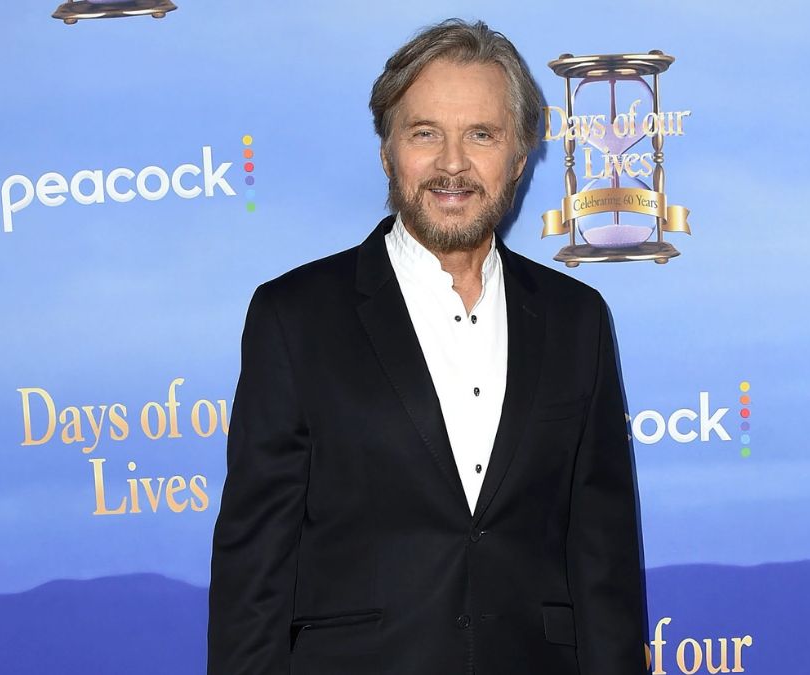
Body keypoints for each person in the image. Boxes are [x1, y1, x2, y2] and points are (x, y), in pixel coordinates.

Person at [208, 18, 646, 675]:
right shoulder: (295, 317)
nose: (451, 164)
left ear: (521, 156)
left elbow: (604, 565)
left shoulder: (576, 320)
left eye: (481, 134)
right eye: (424, 133)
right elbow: (254, 572)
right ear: (388, 151)